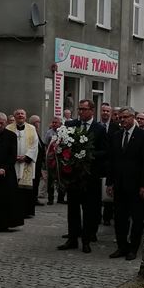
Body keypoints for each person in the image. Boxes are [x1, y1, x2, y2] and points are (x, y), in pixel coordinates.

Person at [59, 99, 108, 254]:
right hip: (73, 176)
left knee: (89, 210)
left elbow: (105, 151)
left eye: (84, 109)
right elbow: (63, 145)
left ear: (92, 111)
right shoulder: (71, 125)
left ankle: (86, 240)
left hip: (90, 176)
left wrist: (88, 154)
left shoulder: (99, 129)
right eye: (79, 109)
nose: (80, 112)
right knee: (72, 209)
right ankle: (72, 238)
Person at [105, 107, 144, 260]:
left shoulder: (143, 135)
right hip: (119, 184)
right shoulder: (116, 136)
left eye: (125, 117)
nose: (122, 120)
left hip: (136, 184)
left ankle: (133, 248)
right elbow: (112, 161)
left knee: (137, 218)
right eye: (120, 117)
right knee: (119, 217)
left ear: (133, 118)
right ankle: (121, 246)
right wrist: (110, 183)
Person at [8, 109, 40, 219]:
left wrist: (26, 157)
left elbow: (35, 145)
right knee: (13, 187)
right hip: (13, 163)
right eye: (18, 114)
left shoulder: (32, 128)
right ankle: (13, 210)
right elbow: (5, 144)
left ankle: (26, 211)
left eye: (22, 114)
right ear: (14, 116)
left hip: (27, 162)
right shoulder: (8, 128)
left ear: (26, 116)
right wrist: (13, 157)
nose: (20, 115)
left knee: (25, 188)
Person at [43, 116, 64, 205]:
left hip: (61, 158)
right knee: (51, 178)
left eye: (56, 123)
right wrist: (47, 156)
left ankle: (61, 198)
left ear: (60, 124)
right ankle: (50, 198)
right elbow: (46, 145)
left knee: (61, 177)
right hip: (51, 159)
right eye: (53, 122)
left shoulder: (64, 132)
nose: (54, 124)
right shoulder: (49, 132)